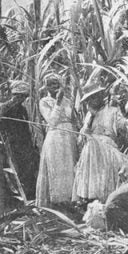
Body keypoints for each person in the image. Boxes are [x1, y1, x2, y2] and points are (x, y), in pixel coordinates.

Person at [72, 81, 128, 203]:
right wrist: (90, 121)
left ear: (101, 96)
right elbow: (81, 139)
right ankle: (91, 198)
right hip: (91, 153)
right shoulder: (89, 116)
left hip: (108, 149)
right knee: (90, 145)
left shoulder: (113, 111)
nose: (93, 100)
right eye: (90, 99)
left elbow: (123, 128)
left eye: (95, 96)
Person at [36, 73, 78, 208]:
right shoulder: (44, 102)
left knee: (69, 166)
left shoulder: (68, 100)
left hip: (68, 135)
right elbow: (52, 121)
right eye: (51, 84)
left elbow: (73, 119)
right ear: (46, 86)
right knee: (57, 167)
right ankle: (57, 202)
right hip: (55, 136)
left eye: (56, 83)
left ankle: (70, 200)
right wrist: (58, 102)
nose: (54, 86)